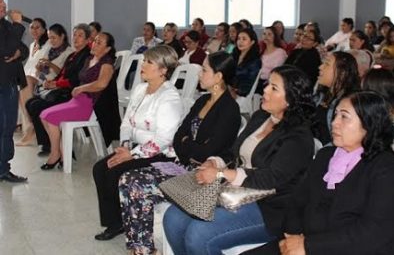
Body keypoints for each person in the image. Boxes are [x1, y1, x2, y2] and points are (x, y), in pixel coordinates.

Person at [163, 65, 316, 255]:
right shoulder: (261, 117)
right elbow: (234, 152)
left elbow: (272, 178)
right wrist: (215, 161)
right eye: (268, 84)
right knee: (173, 219)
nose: (265, 90)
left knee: (199, 233)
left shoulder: (299, 137)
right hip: (235, 191)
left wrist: (221, 173)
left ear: (290, 100)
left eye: (274, 88)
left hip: (270, 207)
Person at [118, 51, 241, 254]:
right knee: (127, 178)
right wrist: (188, 146)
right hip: (182, 164)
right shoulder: (203, 101)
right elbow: (178, 136)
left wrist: (187, 145)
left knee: (137, 184)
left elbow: (209, 151)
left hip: (204, 175)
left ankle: (143, 249)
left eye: (204, 70)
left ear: (219, 76)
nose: (199, 74)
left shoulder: (229, 109)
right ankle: (141, 248)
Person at [246, 91, 394, 255]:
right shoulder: (325, 155)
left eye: (344, 117)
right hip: (244, 203)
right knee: (212, 219)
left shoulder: (385, 168)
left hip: (269, 212)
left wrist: (307, 245)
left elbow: (372, 233)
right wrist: (294, 236)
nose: (334, 123)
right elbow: (297, 202)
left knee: (210, 232)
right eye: (335, 114)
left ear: (369, 124)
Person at [92, 45, 182, 241]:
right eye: (145, 60)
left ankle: (124, 220)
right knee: (100, 168)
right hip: (135, 149)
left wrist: (132, 154)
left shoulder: (169, 97)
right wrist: (124, 145)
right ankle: (115, 222)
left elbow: (164, 139)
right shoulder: (141, 89)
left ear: (163, 70)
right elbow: (126, 121)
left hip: (160, 154)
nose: (143, 64)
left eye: (149, 62)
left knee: (115, 171)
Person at [39, 32, 116, 170]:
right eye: (95, 41)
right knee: (44, 114)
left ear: (108, 49)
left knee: (49, 116)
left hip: (89, 104)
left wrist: (81, 88)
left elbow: (101, 84)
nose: (94, 44)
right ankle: (61, 153)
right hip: (77, 101)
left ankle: (55, 154)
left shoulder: (107, 64)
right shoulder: (89, 59)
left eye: (99, 43)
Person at [25, 24, 92, 157]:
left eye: (80, 36)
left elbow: (75, 80)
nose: (76, 38)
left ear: (87, 39)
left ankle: (55, 146)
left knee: (37, 105)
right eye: (75, 35)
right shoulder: (73, 55)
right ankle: (47, 143)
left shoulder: (86, 56)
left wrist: (56, 84)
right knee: (30, 103)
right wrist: (52, 82)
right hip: (62, 90)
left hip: (71, 95)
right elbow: (62, 74)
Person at [0, 0, 29, 182]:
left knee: (7, 128)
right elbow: (6, 50)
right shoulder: (11, 26)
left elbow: (21, 48)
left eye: (2, 0)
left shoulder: (5, 25)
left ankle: (3, 167)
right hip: (2, 83)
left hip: (8, 82)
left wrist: (19, 53)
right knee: (3, 127)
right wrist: (18, 24)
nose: (3, 4)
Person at [16, 18, 50, 146]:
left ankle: (31, 127)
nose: (34, 30)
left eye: (37, 27)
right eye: (32, 27)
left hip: (42, 78)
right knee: (19, 83)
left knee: (26, 81)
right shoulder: (32, 45)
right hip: (29, 77)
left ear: (44, 29)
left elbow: (45, 66)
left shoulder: (48, 44)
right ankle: (29, 125)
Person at [314, 51, 360, 145]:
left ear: (342, 72)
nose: (320, 67)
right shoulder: (321, 95)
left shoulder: (349, 103)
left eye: (326, 64)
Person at [230, 28, 261, 99]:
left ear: (252, 42)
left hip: (242, 95)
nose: (240, 42)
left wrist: (236, 91)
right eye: (239, 38)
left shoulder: (255, 61)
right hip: (228, 90)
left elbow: (250, 83)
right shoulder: (234, 55)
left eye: (244, 39)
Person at [256, 26, 287, 93]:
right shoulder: (261, 51)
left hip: (271, 82)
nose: (266, 36)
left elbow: (277, 70)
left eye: (269, 34)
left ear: (275, 36)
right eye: (264, 34)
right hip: (258, 81)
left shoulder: (280, 52)